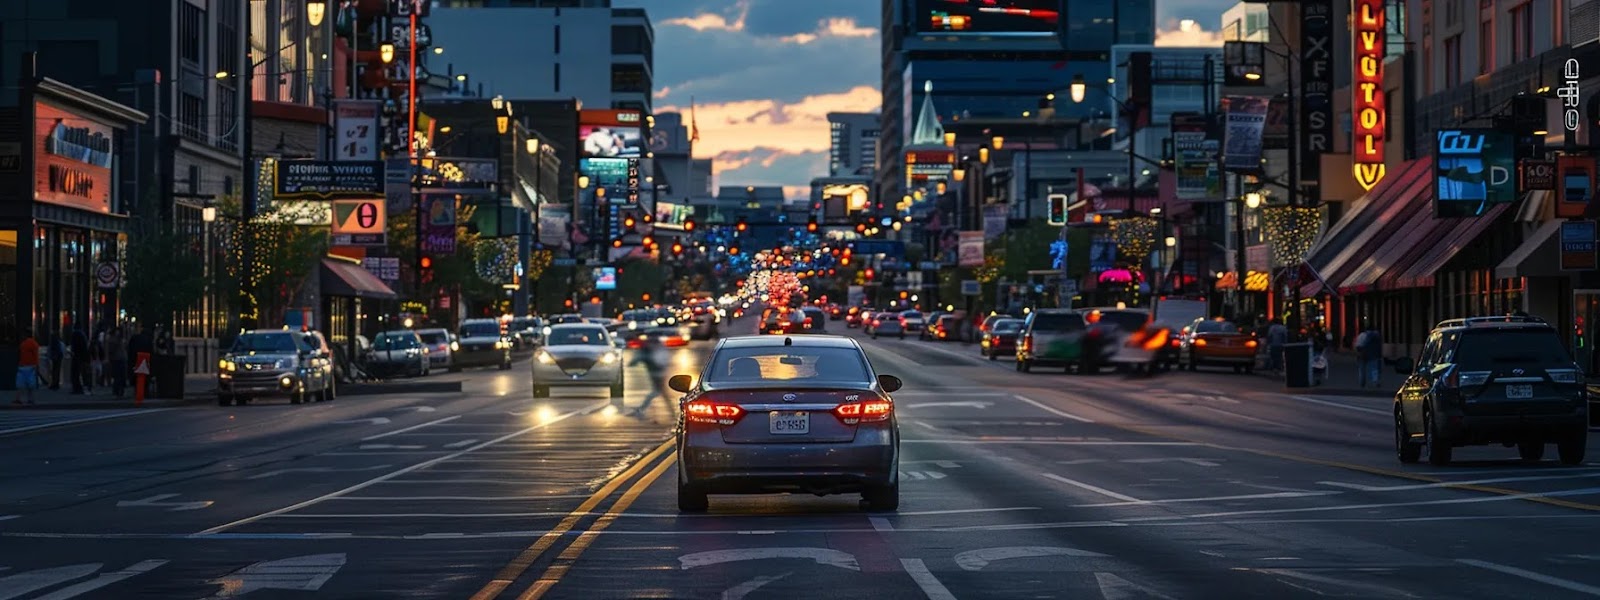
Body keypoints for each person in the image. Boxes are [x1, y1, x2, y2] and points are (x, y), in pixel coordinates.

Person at [628, 335, 669, 417]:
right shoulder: (649, 351)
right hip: (656, 374)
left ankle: (641, 409)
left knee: (657, 392)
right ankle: (641, 409)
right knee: (659, 393)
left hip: (658, 374)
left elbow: (660, 362)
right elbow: (634, 361)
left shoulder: (654, 351)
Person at [14, 328, 40, 405]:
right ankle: (31, 399)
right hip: (31, 366)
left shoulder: (23, 344)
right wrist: (36, 365)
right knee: (31, 384)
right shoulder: (34, 344)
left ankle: (18, 398)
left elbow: (20, 355)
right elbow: (36, 356)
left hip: (22, 366)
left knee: (20, 384)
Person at [1357, 321, 1385, 389]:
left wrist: (1359, 352)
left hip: (1363, 354)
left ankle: (1362, 382)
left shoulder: (1362, 335)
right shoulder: (1377, 336)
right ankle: (1375, 381)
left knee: (1362, 369)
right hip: (1374, 354)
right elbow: (1380, 346)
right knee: (1374, 369)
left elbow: (1358, 345)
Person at [106, 326, 128, 398]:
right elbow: (111, 350)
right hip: (117, 359)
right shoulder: (114, 340)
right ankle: (118, 391)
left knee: (120, 376)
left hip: (120, 359)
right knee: (118, 376)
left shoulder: (120, 340)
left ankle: (119, 390)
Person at [69, 324, 90, 395]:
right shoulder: (82, 335)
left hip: (77, 356)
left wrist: (73, 352)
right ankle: (82, 387)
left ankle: (77, 388)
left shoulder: (75, 334)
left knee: (75, 372)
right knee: (81, 372)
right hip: (82, 356)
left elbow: (74, 346)